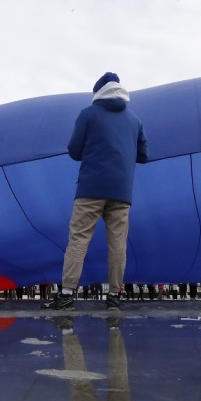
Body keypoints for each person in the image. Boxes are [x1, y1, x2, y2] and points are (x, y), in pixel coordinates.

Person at [43, 72, 149, 311]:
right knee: (118, 244)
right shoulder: (134, 120)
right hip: (121, 192)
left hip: (91, 188)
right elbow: (143, 155)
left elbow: (74, 150)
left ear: (98, 92)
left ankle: (68, 294)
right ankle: (114, 296)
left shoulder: (88, 114)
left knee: (79, 240)